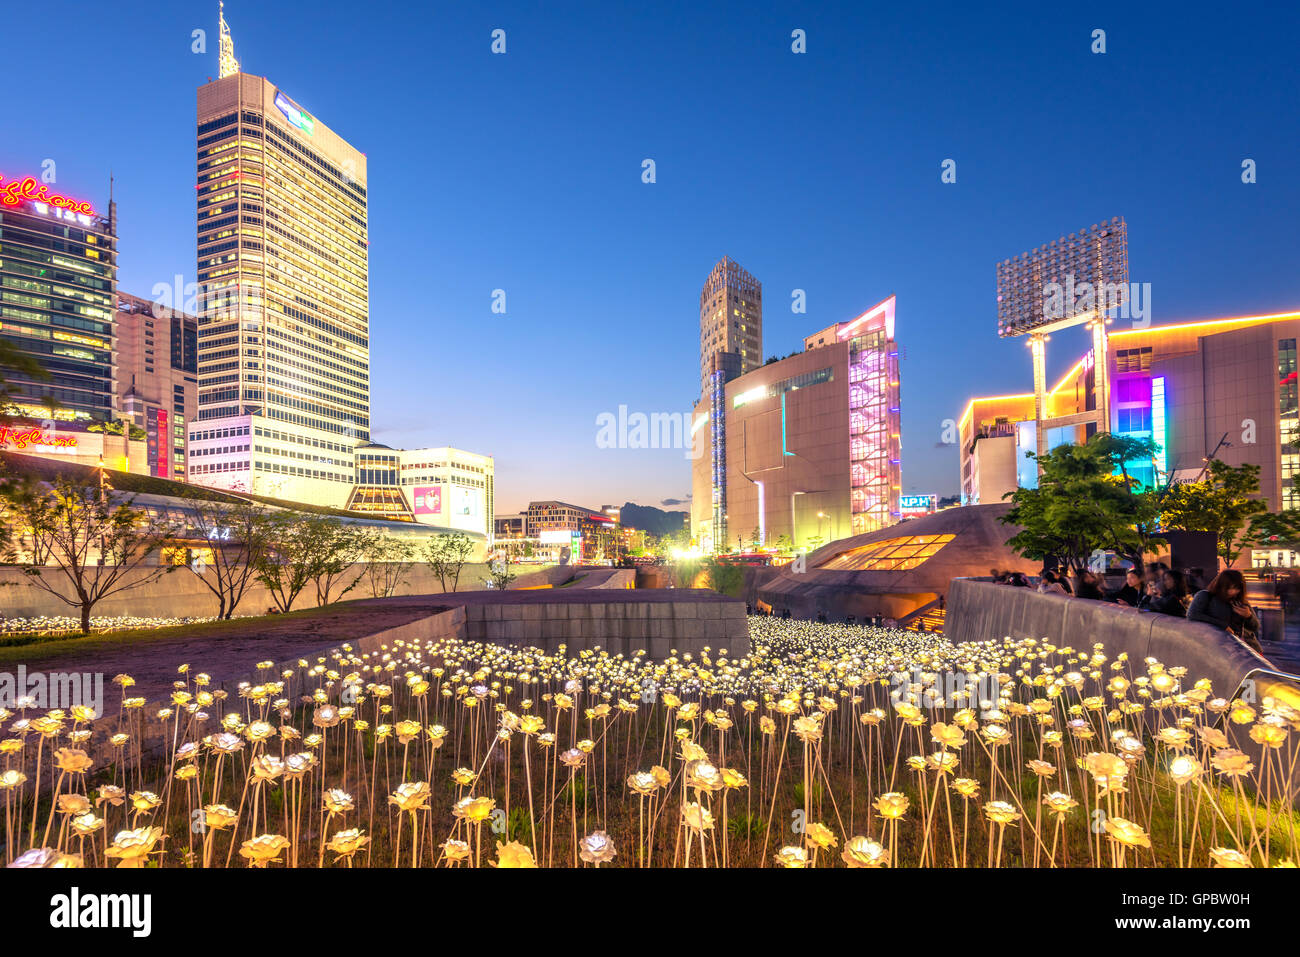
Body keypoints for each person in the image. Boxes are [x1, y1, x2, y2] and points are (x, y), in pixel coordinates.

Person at [1187, 569, 1262, 653]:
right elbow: (1193, 615)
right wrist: (1222, 625)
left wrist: (1248, 616)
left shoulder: (1240, 601)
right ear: (1221, 585)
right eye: (1230, 588)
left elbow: (1255, 627)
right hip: (1218, 649)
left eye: (1237, 588)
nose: (1234, 591)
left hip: (1247, 649)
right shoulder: (1206, 596)